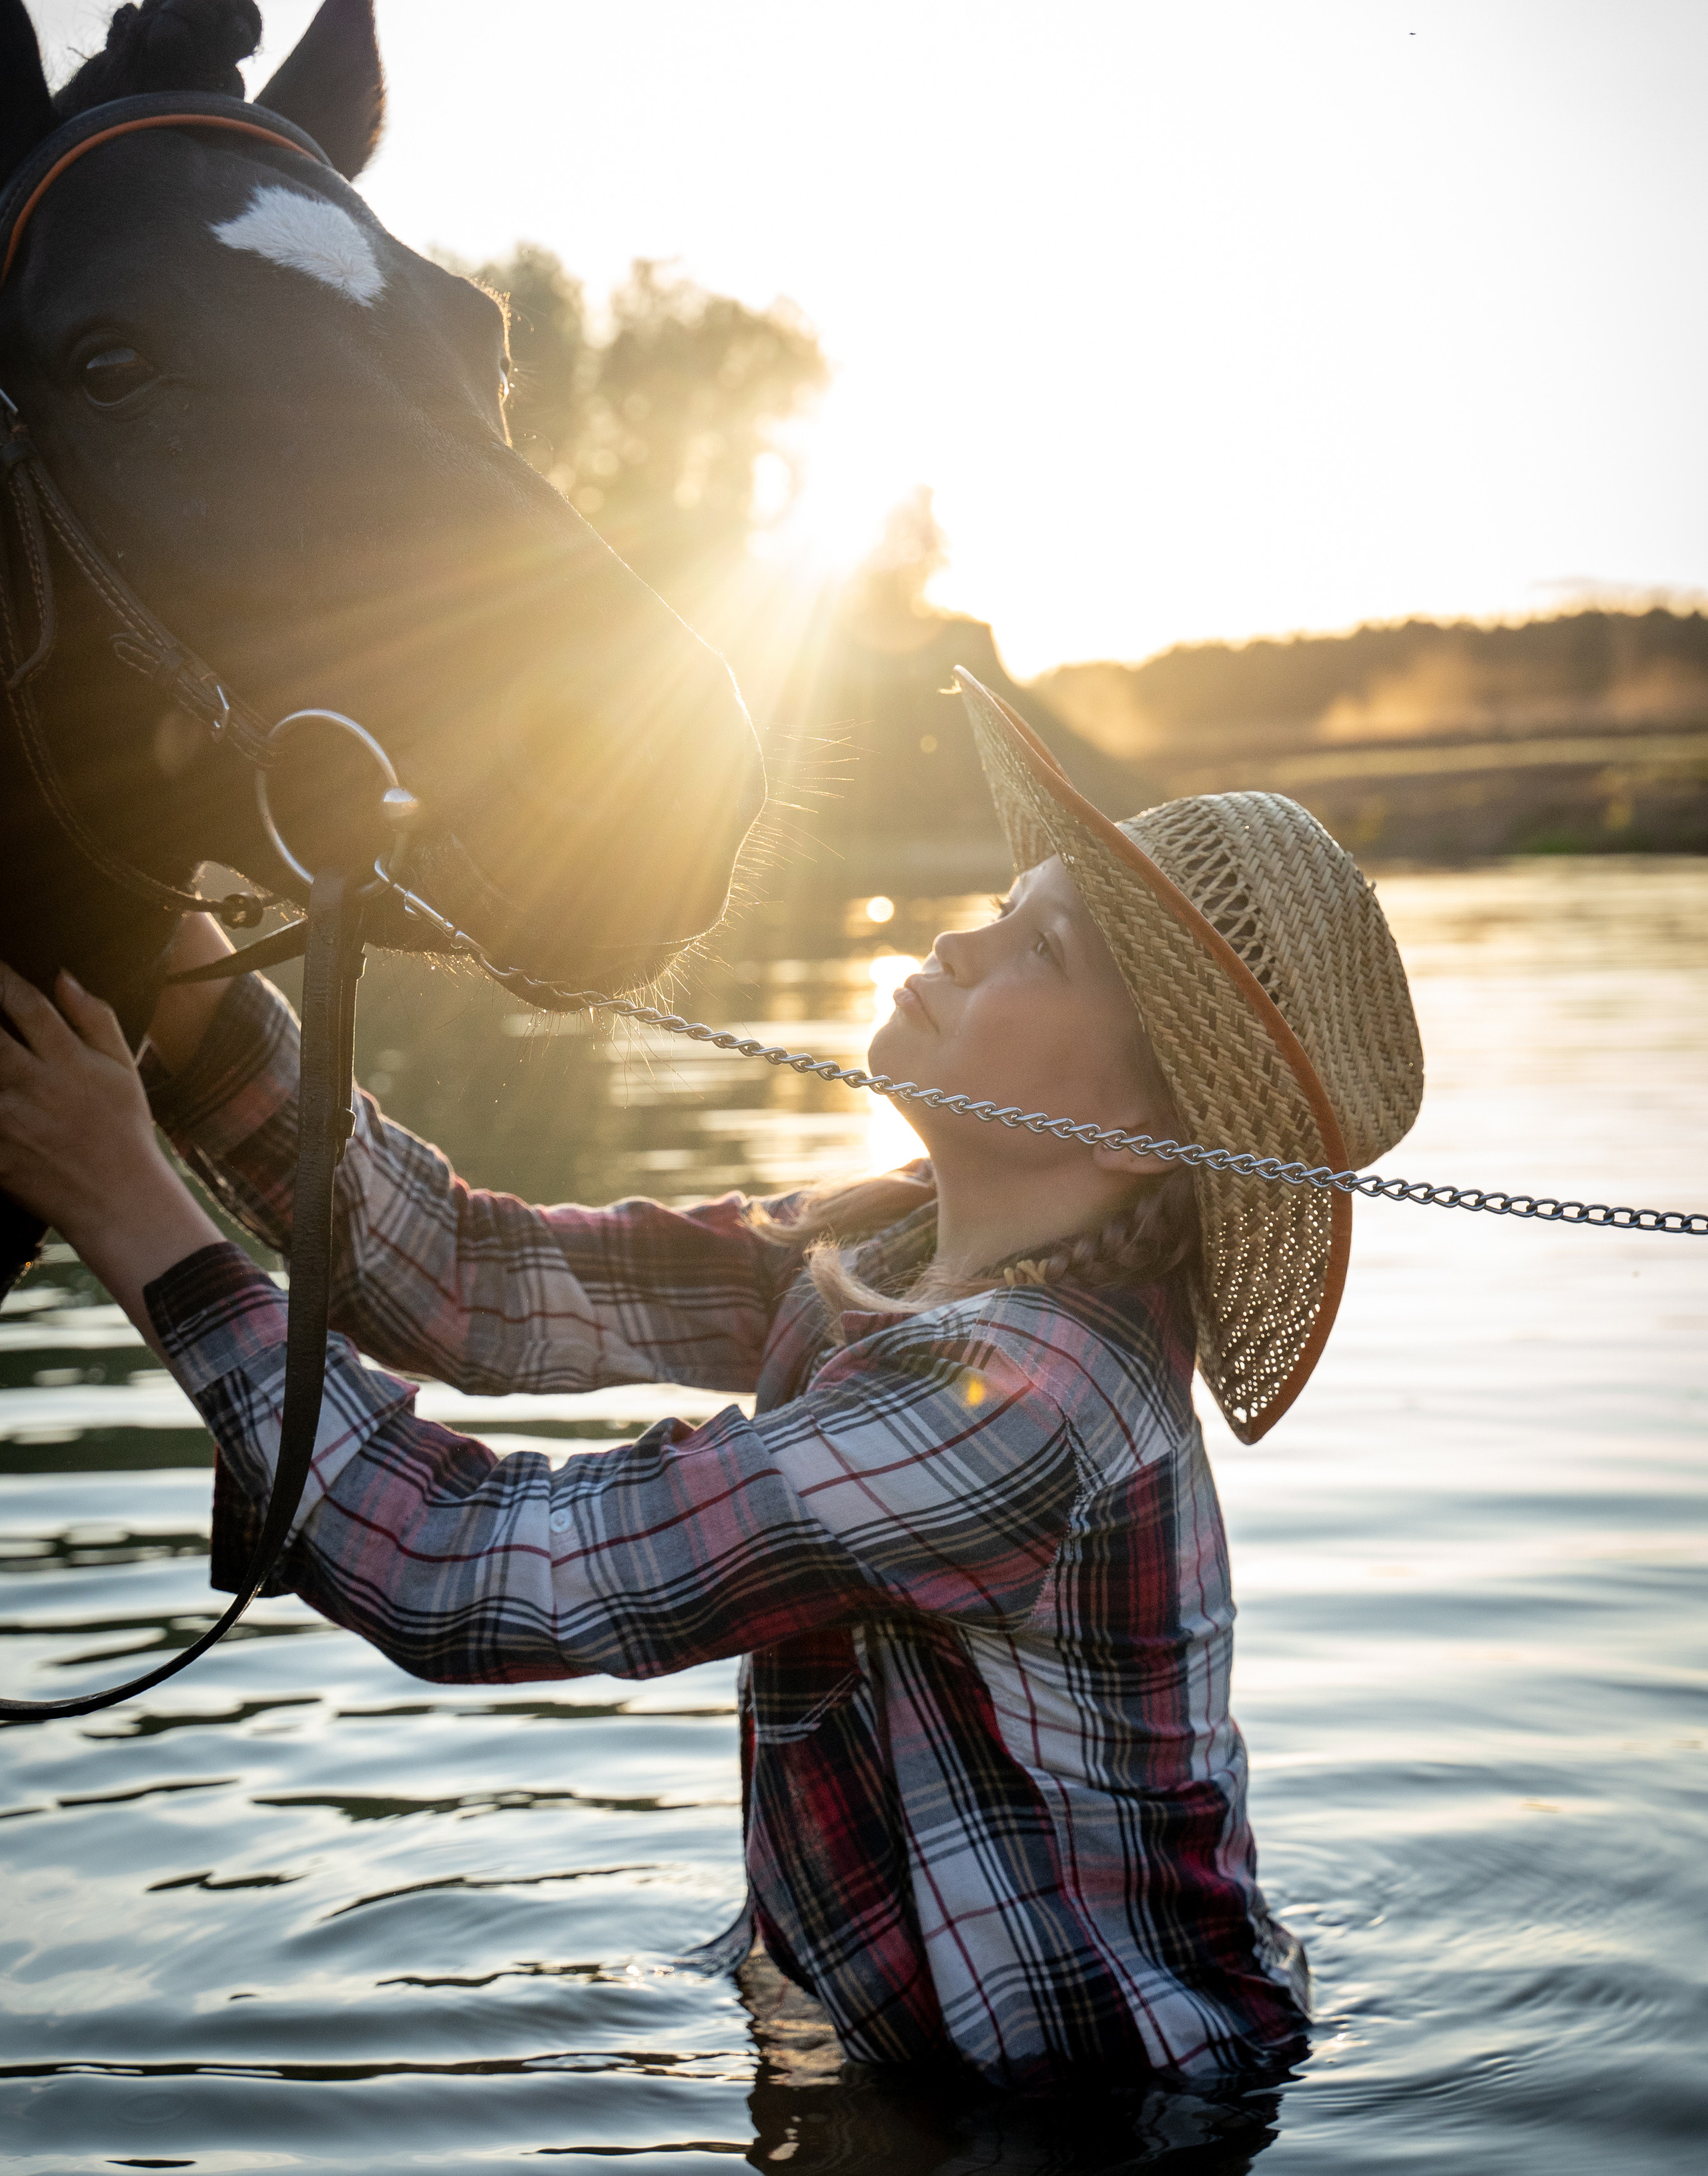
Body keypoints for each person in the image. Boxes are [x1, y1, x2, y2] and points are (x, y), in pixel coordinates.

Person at [0, 671, 1423, 2097]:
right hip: (924, 2059)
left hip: (1100, 2113)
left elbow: (464, 1568)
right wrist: (184, 987)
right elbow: (472, 1278)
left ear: (1129, 1129)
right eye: (1006, 902)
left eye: (1037, 948)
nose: (961, 936)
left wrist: (128, 1207)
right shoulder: (887, 1242)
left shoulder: (1024, 1405)